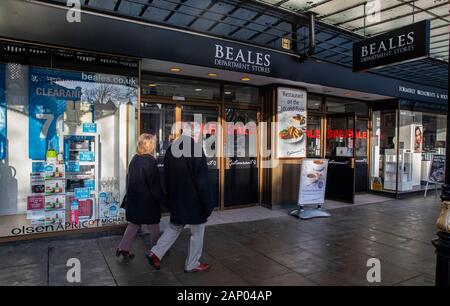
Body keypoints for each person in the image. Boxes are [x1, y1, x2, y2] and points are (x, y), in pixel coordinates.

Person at [146, 131, 214, 273]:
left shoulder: (171, 150)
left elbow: (166, 177)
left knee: (175, 226)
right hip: (194, 201)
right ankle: (192, 263)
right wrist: (207, 204)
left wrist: (169, 199)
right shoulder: (194, 149)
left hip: (177, 198)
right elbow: (202, 181)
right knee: (197, 232)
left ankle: (156, 253)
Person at [116, 133, 164, 260]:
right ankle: (156, 252)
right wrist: (162, 199)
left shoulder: (134, 160)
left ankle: (123, 248)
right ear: (150, 146)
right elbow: (154, 186)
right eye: (153, 143)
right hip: (148, 202)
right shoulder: (150, 162)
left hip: (134, 200)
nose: (154, 146)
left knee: (133, 224)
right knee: (154, 226)